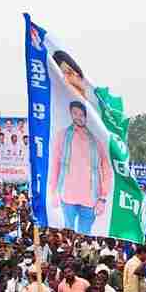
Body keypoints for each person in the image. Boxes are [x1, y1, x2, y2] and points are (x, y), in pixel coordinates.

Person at [48, 100, 112, 236]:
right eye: (75, 113)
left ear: (87, 116)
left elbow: (107, 171)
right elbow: (55, 165)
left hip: (90, 199)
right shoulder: (62, 136)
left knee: (84, 235)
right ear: (71, 114)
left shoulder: (97, 141)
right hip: (67, 196)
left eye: (81, 114)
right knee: (67, 234)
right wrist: (53, 191)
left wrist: (103, 198)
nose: (78, 117)